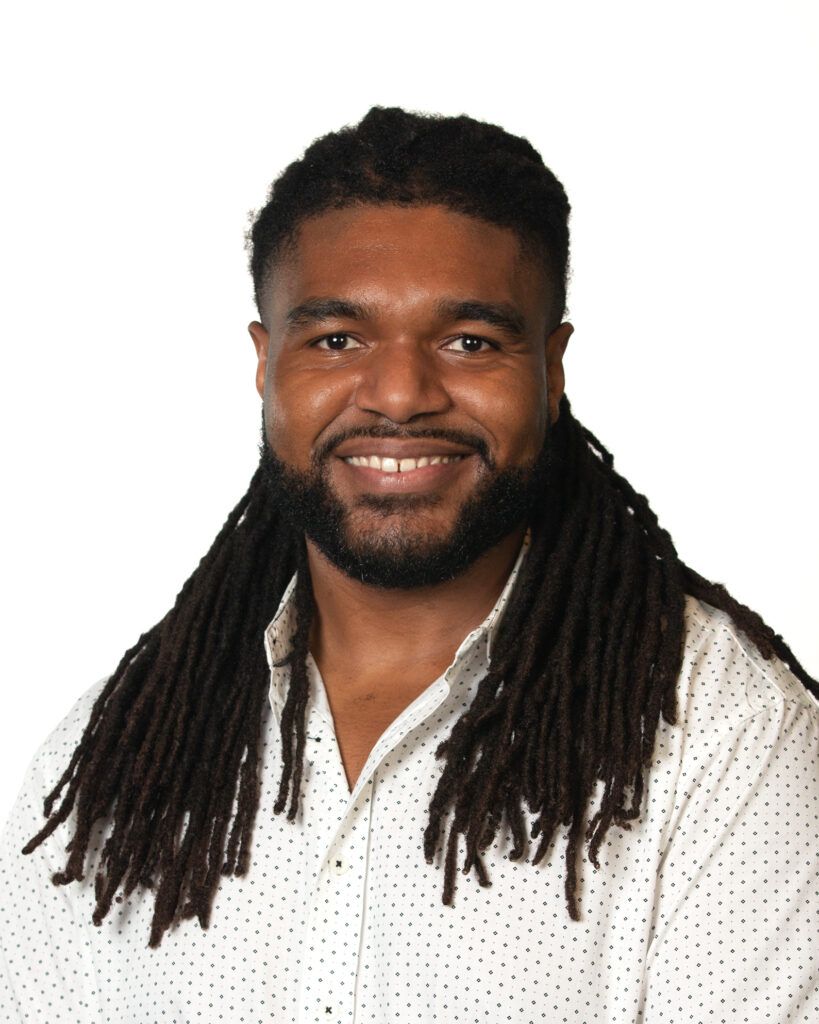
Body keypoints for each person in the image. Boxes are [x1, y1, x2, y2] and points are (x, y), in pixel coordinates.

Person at [1, 107, 817, 1023]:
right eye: (336, 340)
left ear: (550, 371)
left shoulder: (726, 740)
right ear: (266, 364)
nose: (398, 395)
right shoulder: (111, 757)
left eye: (469, 341)